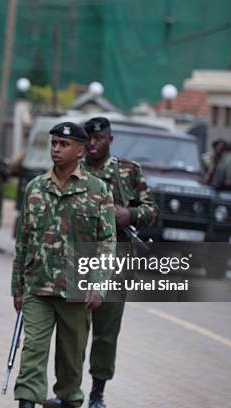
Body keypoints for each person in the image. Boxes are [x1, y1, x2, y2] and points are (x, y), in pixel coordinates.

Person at [46, 117, 159, 408]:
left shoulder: (127, 172)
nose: (95, 144)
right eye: (90, 139)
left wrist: (129, 215)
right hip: (78, 258)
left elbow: (151, 210)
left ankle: (97, 393)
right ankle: (69, 393)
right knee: (73, 332)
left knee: (106, 333)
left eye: (100, 138)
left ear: (110, 139)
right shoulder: (73, 169)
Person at [12, 121, 117, 408]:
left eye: (64, 144)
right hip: (38, 287)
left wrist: (98, 286)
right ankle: (26, 402)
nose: (56, 149)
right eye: (54, 143)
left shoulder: (98, 191)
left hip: (76, 290)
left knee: (71, 362)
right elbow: (22, 241)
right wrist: (17, 288)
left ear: (80, 150)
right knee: (32, 352)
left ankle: (70, 400)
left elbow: (107, 243)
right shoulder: (35, 188)